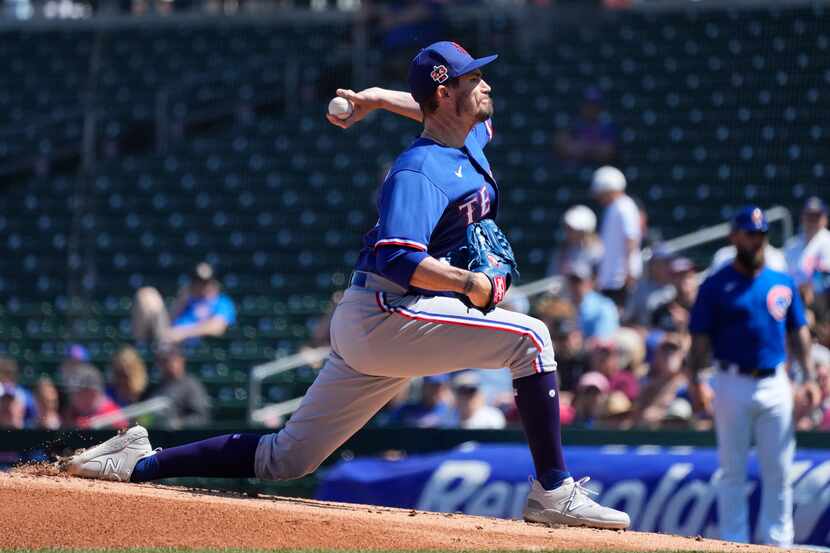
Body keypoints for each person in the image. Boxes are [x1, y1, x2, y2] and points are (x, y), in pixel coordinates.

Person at [63, 41, 629, 530]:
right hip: (388, 311)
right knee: (530, 341)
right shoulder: (419, 171)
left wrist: (378, 98)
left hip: (390, 321)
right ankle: (553, 492)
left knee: (288, 459)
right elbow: (398, 256)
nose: (484, 85)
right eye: (471, 79)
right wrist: (471, 284)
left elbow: (436, 113)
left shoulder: (469, 138)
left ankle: (137, 461)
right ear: (444, 94)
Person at [687, 206, 821, 547]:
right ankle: (734, 542)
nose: (755, 240)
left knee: (778, 469)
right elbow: (700, 339)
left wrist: (807, 377)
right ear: (734, 237)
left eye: (760, 234)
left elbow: (799, 332)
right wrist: (696, 380)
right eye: (749, 233)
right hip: (730, 380)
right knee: (732, 469)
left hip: (775, 380)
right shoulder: (716, 285)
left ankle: (778, 543)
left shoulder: (781, 281)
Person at [132, 262, 237, 347]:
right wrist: (181, 302)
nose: (201, 286)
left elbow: (217, 327)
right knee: (147, 295)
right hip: (167, 342)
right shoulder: (185, 299)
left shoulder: (222, 302)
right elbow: (168, 321)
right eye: (197, 282)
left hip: (190, 347)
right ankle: (140, 346)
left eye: (205, 282)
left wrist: (181, 333)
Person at [591, 166, 642, 307]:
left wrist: (629, 269)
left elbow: (631, 238)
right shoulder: (613, 208)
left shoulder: (625, 206)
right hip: (611, 278)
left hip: (621, 278)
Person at [784, 196, 830, 316]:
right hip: (795, 299)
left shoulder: (827, 241)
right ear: (803, 217)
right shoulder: (792, 245)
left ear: (824, 219)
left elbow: (825, 277)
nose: (812, 220)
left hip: (822, 302)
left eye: (816, 216)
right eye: (809, 216)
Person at [148, 347, 211, 429]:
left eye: (173, 360)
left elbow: (202, 417)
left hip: (182, 436)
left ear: (181, 361)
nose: (169, 364)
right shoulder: (157, 385)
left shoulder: (191, 385)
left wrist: (180, 423)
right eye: (164, 361)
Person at [553, 87, 618, 166]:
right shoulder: (572, 122)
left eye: (594, 105)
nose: (591, 108)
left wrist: (582, 147)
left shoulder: (606, 125)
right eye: (588, 104)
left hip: (598, 167)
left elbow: (607, 152)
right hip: (573, 167)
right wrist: (594, 148)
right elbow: (562, 147)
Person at [622, 243, 676, 328]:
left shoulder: (678, 285)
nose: (667, 266)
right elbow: (627, 320)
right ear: (652, 265)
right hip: (648, 335)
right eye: (662, 263)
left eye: (668, 262)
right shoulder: (640, 289)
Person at [64, 365, 128, 430]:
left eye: (78, 393)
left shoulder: (112, 416)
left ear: (93, 393)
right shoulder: (71, 412)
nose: (73, 398)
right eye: (73, 393)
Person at [546, 204, 603, 278]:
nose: (568, 232)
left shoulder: (597, 252)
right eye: (567, 228)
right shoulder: (561, 252)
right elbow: (553, 278)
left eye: (572, 229)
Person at [566, 261, 619, 339]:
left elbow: (603, 341)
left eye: (579, 281)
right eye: (572, 281)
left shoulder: (604, 306)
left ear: (590, 282)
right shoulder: (565, 306)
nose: (575, 286)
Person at [384, 374, 454, 428]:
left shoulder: (450, 413)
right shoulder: (405, 410)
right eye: (432, 386)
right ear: (423, 386)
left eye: (439, 386)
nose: (435, 390)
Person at [650, 257, 699, 334]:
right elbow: (653, 339)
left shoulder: (707, 307)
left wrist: (688, 322)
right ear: (671, 279)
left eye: (688, 276)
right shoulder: (662, 311)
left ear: (695, 277)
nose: (684, 280)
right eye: (678, 276)